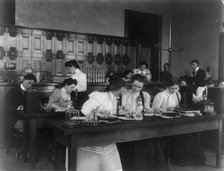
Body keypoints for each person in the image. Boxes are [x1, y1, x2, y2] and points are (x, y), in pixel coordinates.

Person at [72, 77, 126, 171]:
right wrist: (99, 113)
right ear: (117, 88)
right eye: (121, 90)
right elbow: (85, 110)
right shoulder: (100, 96)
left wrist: (107, 113)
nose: (122, 93)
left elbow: (111, 112)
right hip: (91, 129)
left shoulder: (114, 98)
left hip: (105, 129)